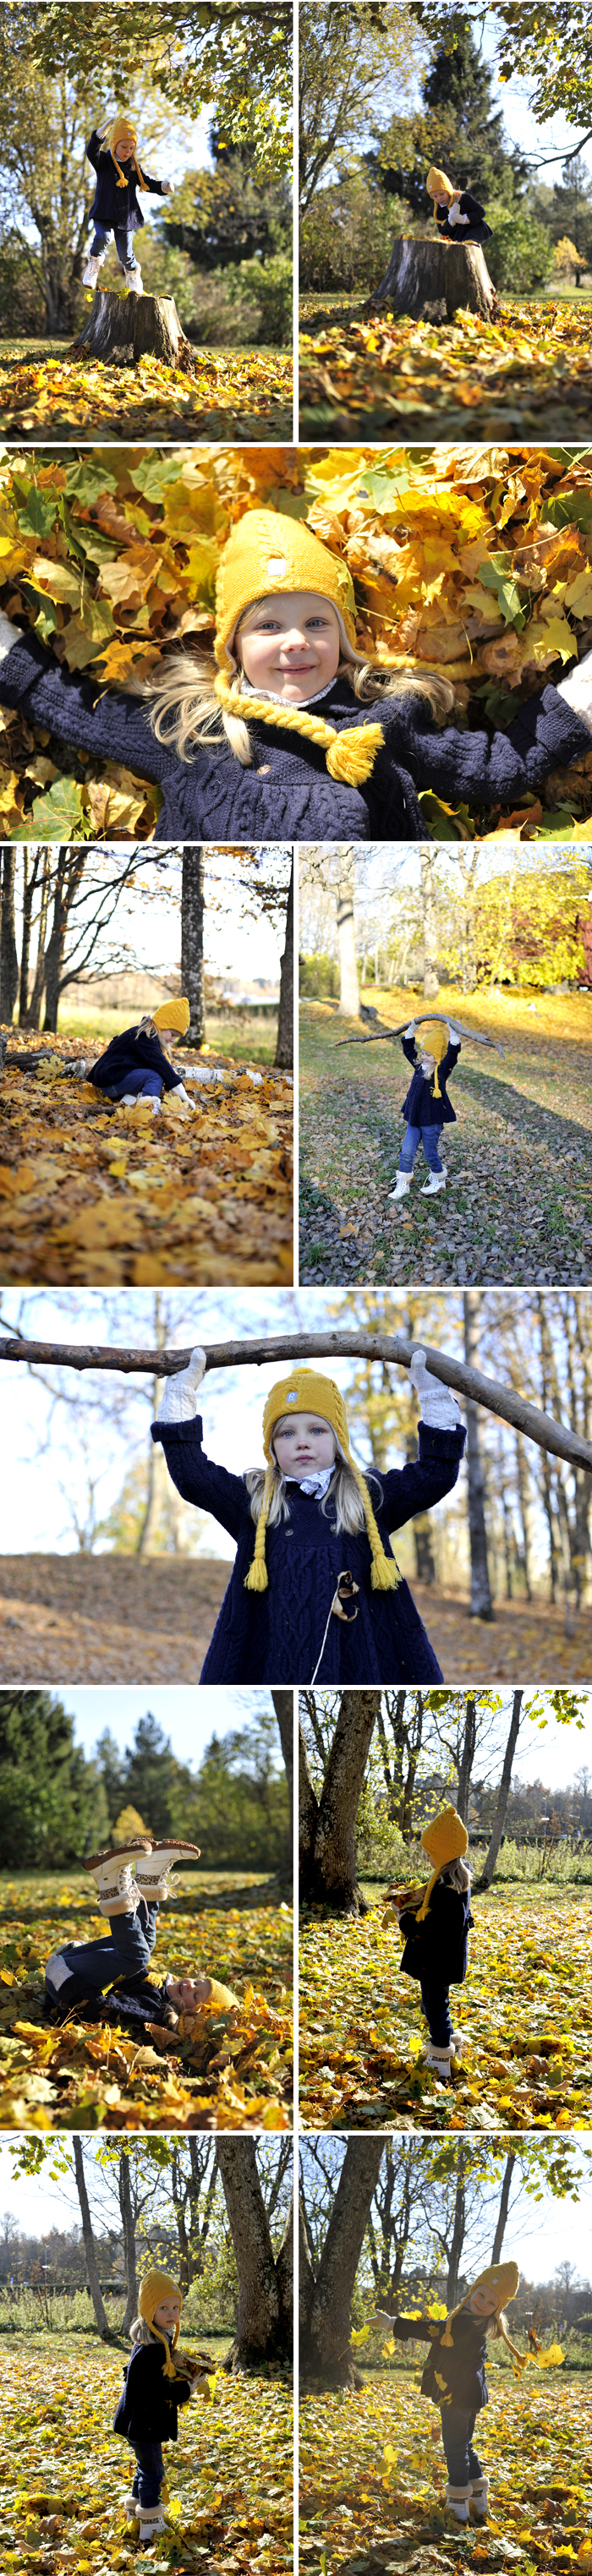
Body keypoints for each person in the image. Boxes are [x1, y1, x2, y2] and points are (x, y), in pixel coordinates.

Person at [2, 509, 592, 844]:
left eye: (316, 621)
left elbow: (498, 766)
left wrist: (583, 696)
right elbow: (72, 707)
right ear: (232, 646)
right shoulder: (192, 730)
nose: (295, 642)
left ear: (342, 639)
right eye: (267, 627)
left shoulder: (380, 723)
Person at [152, 1347, 466, 1684]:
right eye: (287, 1433)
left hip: (359, 1662)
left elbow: (434, 1476)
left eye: (317, 1430)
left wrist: (434, 1396)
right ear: (271, 1446)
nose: (302, 1442)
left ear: (338, 1440)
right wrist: (180, 1397)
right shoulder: (255, 1502)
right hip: (272, 1658)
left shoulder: (366, 1496)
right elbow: (193, 1477)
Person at [372, 2262, 525, 2526]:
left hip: (457, 2395)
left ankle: (458, 2509)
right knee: (465, 2446)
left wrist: (392, 2323)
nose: (483, 2303)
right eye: (481, 2294)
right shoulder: (466, 2320)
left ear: (496, 2310)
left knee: (455, 2450)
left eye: (491, 2303)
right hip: (469, 2395)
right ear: (473, 2290)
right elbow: (439, 2328)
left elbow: (432, 2329)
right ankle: (478, 2500)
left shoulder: (466, 2325)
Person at [43, 1835, 207, 2033]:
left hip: (67, 1987)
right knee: (146, 1944)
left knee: (138, 1956)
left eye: (196, 1996)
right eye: (197, 1982)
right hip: (70, 1968)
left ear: (190, 2014)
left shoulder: (154, 2011)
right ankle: (150, 1875)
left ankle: (112, 1887)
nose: (191, 1986)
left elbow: (102, 2007)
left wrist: (68, 1984)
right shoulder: (159, 1986)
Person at [114, 2267, 201, 2549]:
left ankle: (134, 2511)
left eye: (175, 2307)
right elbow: (158, 2390)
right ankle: (150, 2527)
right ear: (149, 2310)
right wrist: (187, 2388)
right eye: (163, 2307)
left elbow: (152, 2378)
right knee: (153, 2473)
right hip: (144, 2423)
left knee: (144, 2469)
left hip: (137, 2421)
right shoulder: (153, 2348)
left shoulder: (152, 2339)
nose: (171, 2312)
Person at [385, 1804, 473, 2079]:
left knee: (435, 2007)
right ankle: (451, 2040)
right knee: (433, 2004)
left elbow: (432, 1930)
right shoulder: (448, 1881)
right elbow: (435, 1918)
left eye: (430, 1854)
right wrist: (413, 1900)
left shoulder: (447, 1891)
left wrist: (402, 1918)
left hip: (437, 1960)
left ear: (443, 1854)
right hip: (440, 1959)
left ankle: (440, 2060)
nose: (428, 1860)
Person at [83, 114, 173, 296]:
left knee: (125, 253)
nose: (128, 151)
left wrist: (163, 187)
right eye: (124, 147)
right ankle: (94, 262)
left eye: (131, 148)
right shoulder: (104, 162)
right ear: (114, 144)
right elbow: (91, 152)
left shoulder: (133, 168)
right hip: (103, 212)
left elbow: (147, 183)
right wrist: (101, 133)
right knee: (103, 237)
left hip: (125, 216)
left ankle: (133, 273)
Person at [388, 1018, 460, 1202]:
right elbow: (407, 1050)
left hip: (432, 1121)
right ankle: (403, 1183)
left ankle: (439, 1180)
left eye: (428, 1054)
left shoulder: (442, 1071)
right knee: (406, 1152)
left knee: (430, 1154)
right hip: (414, 1119)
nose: (424, 1057)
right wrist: (411, 1029)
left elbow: (452, 1054)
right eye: (423, 1052)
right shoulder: (419, 1066)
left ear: (437, 1056)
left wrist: (454, 1034)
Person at [84, 997, 192, 1115]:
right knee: (155, 1076)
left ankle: (129, 1102)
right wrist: (184, 1097)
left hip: (113, 1079)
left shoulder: (146, 1034)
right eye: (172, 1034)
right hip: (110, 1082)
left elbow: (163, 1064)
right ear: (163, 1025)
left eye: (176, 1038)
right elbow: (163, 1068)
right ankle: (148, 1109)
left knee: (153, 1072)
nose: (172, 1040)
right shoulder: (145, 1036)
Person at [426, 163, 492, 245]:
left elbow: (481, 212)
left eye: (441, 194)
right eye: (435, 196)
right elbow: (443, 231)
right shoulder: (438, 211)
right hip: (459, 239)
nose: (439, 198)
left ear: (448, 190)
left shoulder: (463, 198)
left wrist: (463, 219)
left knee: (469, 245)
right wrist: (451, 221)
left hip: (475, 232)